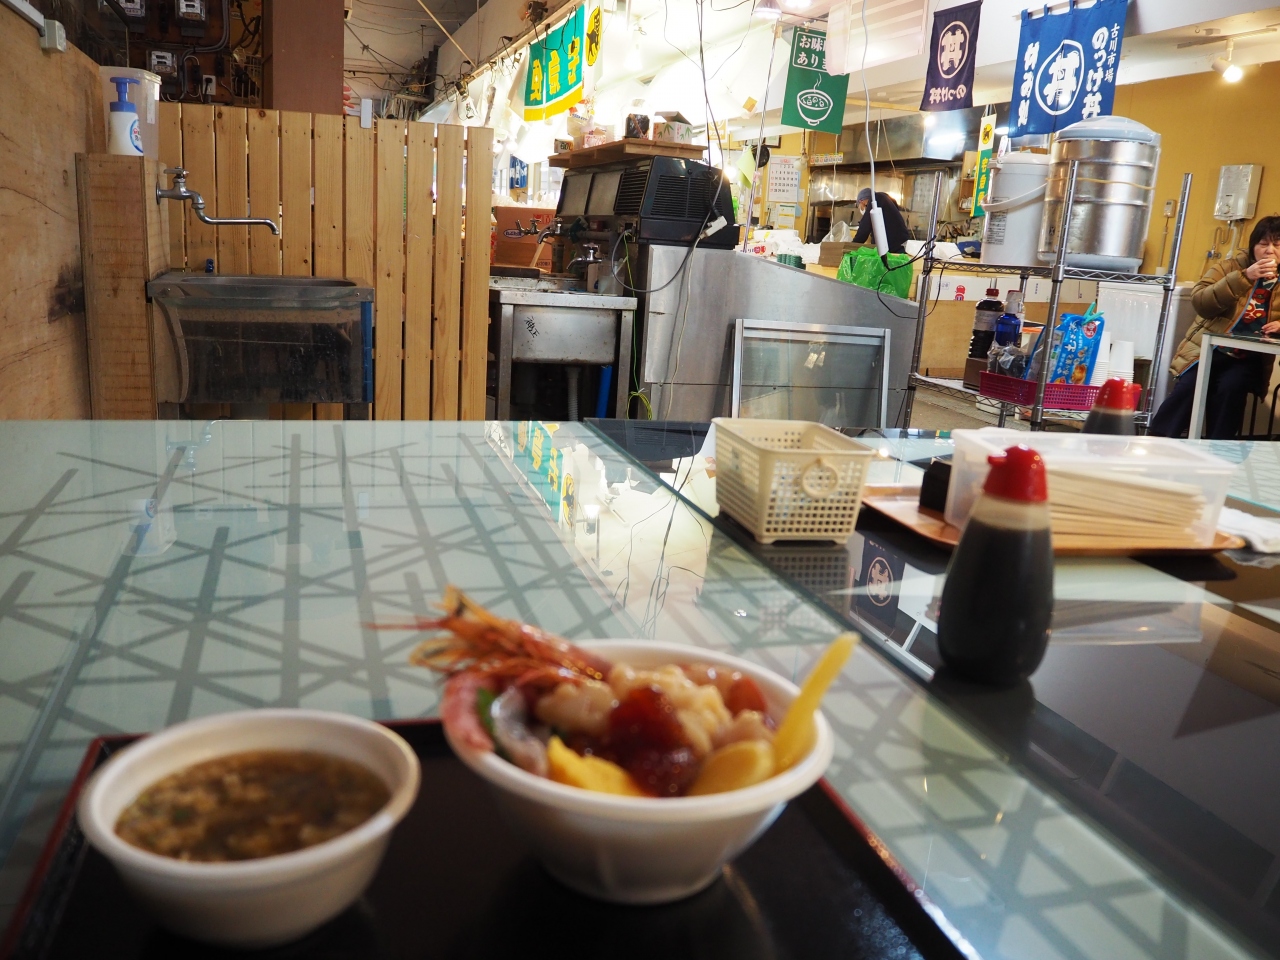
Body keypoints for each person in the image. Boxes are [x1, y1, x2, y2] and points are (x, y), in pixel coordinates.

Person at [1149, 216, 1280, 439]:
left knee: (1232, 387)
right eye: (1263, 244)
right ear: (1252, 246)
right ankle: (1157, 441)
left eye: (1276, 244)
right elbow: (1201, 302)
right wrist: (1244, 277)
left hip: (1247, 358)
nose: (1269, 251)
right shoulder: (1229, 267)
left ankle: (1218, 450)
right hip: (1210, 350)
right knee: (1189, 386)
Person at [851, 187, 909, 254]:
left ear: (862, 202)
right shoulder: (885, 199)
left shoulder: (875, 200)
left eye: (859, 206)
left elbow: (864, 228)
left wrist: (851, 247)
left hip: (894, 249)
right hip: (901, 246)